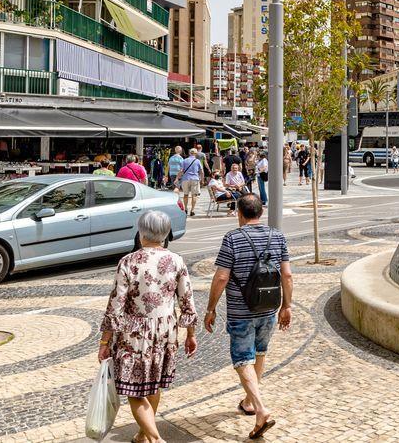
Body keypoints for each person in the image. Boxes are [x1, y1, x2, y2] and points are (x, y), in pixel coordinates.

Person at [99, 211, 198, 443]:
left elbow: (116, 305)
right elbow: (187, 301)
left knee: (133, 389)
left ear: (141, 232)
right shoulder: (177, 260)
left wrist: (105, 341)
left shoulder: (128, 262)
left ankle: (155, 439)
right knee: (153, 384)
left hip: (134, 331)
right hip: (166, 330)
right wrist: (190, 334)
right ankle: (143, 435)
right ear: (165, 234)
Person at [204, 194, 292, 440]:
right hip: (269, 308)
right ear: (261, 213)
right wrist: (287, 306)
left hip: (241, 311)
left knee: (243, 359)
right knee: (259, 352)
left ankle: (261, 409)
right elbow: (287, 275)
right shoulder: (278, 236)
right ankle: (249, 402)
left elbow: (222, 277)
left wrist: (211, 309)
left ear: (239, 214)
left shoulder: (232, 238)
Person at [175, 148, 205, 217]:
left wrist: (177, 178)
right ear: (196, 153)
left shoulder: (184, 160)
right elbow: (201, 172)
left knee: (185, 195)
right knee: (194, 195)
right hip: (195, 179)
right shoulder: (197, 161)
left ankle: (185, 209)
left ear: (189, 153)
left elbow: (181, 170)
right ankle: (192, 210)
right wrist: (202, 180)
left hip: (185, 179)